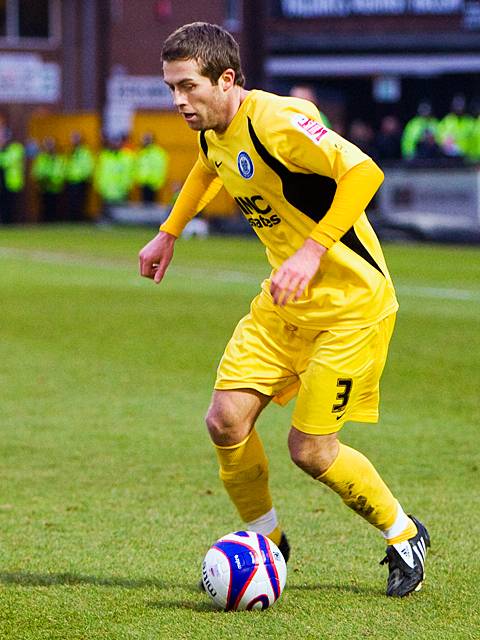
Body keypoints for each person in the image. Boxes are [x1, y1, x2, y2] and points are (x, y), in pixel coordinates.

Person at [139, 22, 430, 598]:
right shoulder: (212, 129)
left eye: (188, 87)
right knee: (224, 421)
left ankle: (403, 534)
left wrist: (311, 249)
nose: (178, 101)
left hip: (351, 308)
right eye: (171, 88)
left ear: (226, 79)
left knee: (311, 451)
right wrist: (169, 231)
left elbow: (364, 170)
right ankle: (267, 541)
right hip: (284, 304)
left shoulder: (274, 120)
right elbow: (208, 165)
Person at [31, 137, 66, 222]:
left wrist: (54, 179)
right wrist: (42, 179)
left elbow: (63, 172)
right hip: (44, 187)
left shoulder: (59, 159)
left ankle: (55, 222)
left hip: (56, 187)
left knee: (56, 207)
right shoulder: (41, 158)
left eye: (51, 145)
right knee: (44, 207)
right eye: (47, 145)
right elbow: (36, 172)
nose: (49, 148)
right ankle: (45, 222)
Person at [65, 132, 95, 221]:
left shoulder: (85, 152)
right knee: (71, 202)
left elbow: (88, 165)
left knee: (80, 202)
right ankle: (72, 219)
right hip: (71, 180)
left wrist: (86, 177)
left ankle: (79, 219)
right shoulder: (70, 152)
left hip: (81, 180)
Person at [0, 126, 25, 224]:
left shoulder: (16, 148)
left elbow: (7, 161)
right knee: (3, 204)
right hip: (2, 182)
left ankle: (12, 223)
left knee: (12, 204)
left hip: (12, 181)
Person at [136, 132, 169, 203]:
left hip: (154, 185)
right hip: (143, 183)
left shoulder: (158, 153)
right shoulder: (141, 153)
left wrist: (159, 183)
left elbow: (161, 169)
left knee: (152, 205)